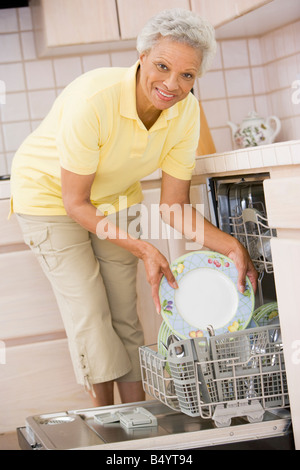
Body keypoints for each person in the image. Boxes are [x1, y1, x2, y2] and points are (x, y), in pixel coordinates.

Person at [10, 8, 257, 407]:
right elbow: (75, 202)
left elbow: (174, 206)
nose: (172, 85)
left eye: (187, 75)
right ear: (141, 56)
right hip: (50, 197)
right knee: (91, 310)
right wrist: (144, 248)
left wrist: (230, 247)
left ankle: (140, 419)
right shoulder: (95, 99)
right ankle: (107, 422)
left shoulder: (186, 112)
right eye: (162, 66)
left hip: (115, 198)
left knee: (125, 312)